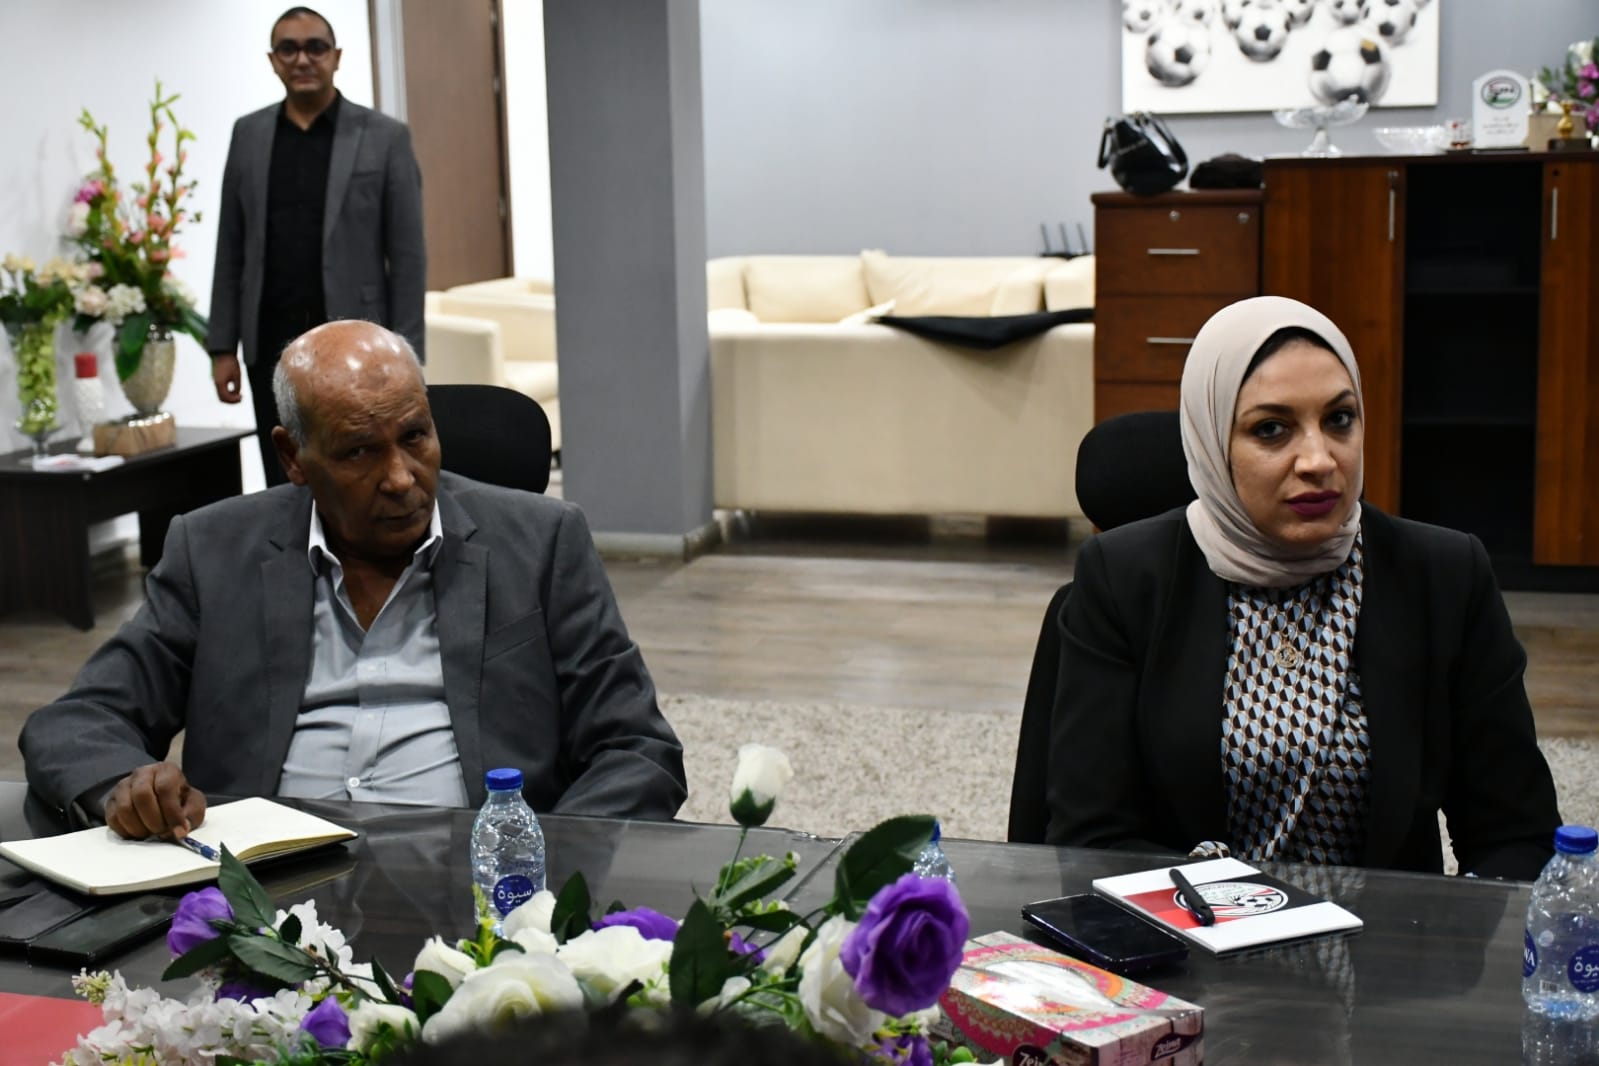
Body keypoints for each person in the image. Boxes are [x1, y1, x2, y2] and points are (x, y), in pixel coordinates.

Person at [20, 320, 685, 838]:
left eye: (415, 437)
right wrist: (126, 787)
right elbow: (79, 721)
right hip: (261, 894)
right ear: (292, 457)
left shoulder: (540, 541)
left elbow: (637, 748)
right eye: (359, 451)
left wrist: (541, 861)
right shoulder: (212, 550)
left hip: (477, 883)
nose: (399, 478)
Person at [1043, 295, 1560, 879]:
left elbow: (1517, 836)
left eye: (1339, 419)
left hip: (1386, 934)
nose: (1318, 460)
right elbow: (1091, 839)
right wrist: (1248, 913)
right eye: (1272, 429)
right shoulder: (1123, 579)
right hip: (1190, 928)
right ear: (1212, 443)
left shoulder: (1445, 575)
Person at [207, 5, 426, 488]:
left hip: (357, 341)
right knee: (284, 469)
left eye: (315, 48)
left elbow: (408, 257)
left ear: (336, 57)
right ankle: (290, 541)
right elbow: (231, 244)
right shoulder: (249, 135)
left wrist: (407, 351)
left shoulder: (385, 137)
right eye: (288, 49)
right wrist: (222, 347)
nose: (302, 59)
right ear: (272, 60)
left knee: (359, 467)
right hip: (270, 338)